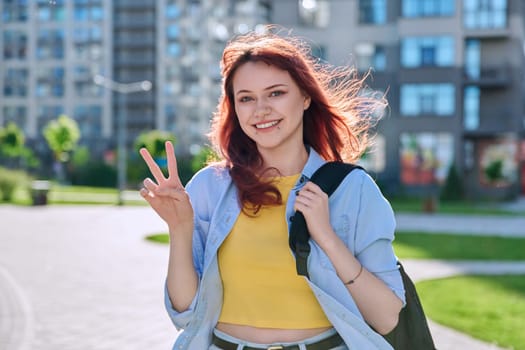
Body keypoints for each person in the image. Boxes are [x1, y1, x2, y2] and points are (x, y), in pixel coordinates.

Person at [139, 27, 405, 350]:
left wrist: (327, 239)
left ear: (305, 97)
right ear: (234, 108)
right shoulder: (211, 187)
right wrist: (180, 229)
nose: (260, 109)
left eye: (276, 93)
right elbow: (185, 313)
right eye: (246, 98)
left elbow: (387, 317)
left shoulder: (352, 189)